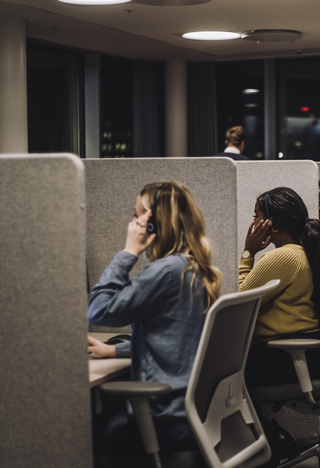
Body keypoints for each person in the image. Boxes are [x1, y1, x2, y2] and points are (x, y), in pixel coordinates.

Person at [87, 181, 222, 455]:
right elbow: (178, 337)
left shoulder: (166, 272)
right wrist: (114, 349)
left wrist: (128, 253)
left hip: (165, 417)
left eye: (138, 216)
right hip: (190, 409)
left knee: (79, 437)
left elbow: (98, 310)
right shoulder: (191, 265)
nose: (133, 223)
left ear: (153, 225)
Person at [239, 187, 320, 387]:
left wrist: (248, 253)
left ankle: (258, 420)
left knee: (222, 374)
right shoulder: (305, 250)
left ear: (274, 224)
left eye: (257, 217)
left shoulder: (283, 256)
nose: (254, 223)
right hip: (312, 353)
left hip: (292, 356)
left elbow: (242, 303)